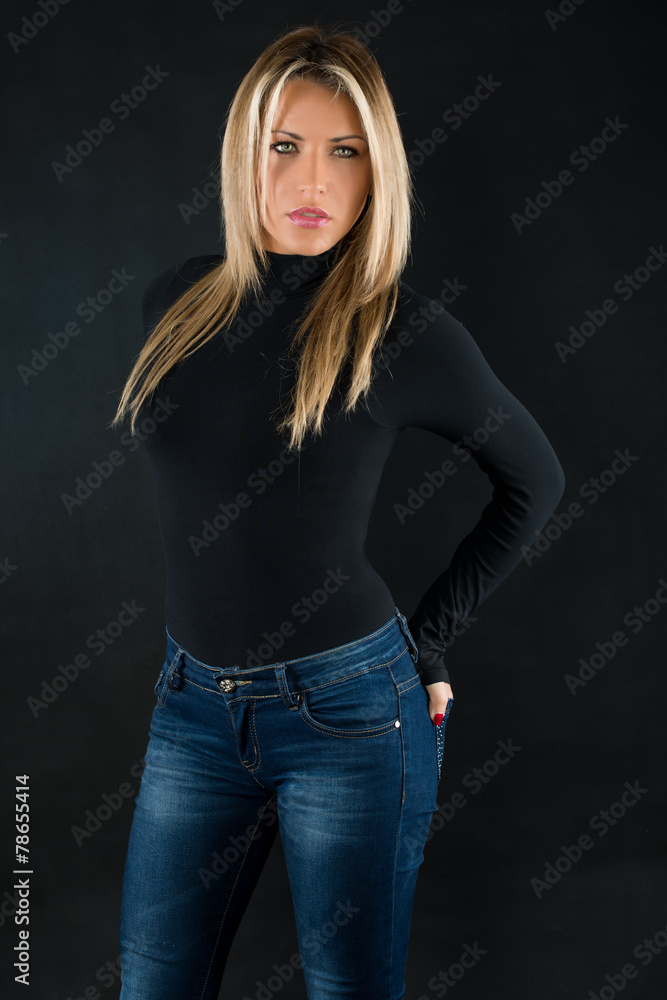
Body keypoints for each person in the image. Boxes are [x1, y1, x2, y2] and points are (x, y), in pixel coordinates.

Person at [110, 23, 565, 1000]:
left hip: (350, 716)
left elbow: (534, 481)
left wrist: (428, 639)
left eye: (344, 151)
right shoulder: (175, 301)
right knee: (152, 983)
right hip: (191, 707)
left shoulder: (400, 332)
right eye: (285, 145)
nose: (312, 178)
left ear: (375, 172)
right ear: (245, 156)